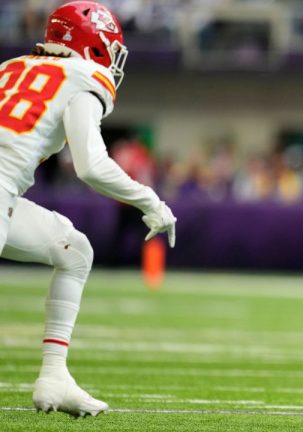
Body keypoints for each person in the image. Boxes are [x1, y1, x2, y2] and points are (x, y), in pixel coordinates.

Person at [0, 1, 176, 418]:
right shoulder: (85, 75)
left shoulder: (10, 66)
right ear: (94, 45)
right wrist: (151, 202)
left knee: (74, 250)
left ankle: (55, 376)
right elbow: (92, 166)